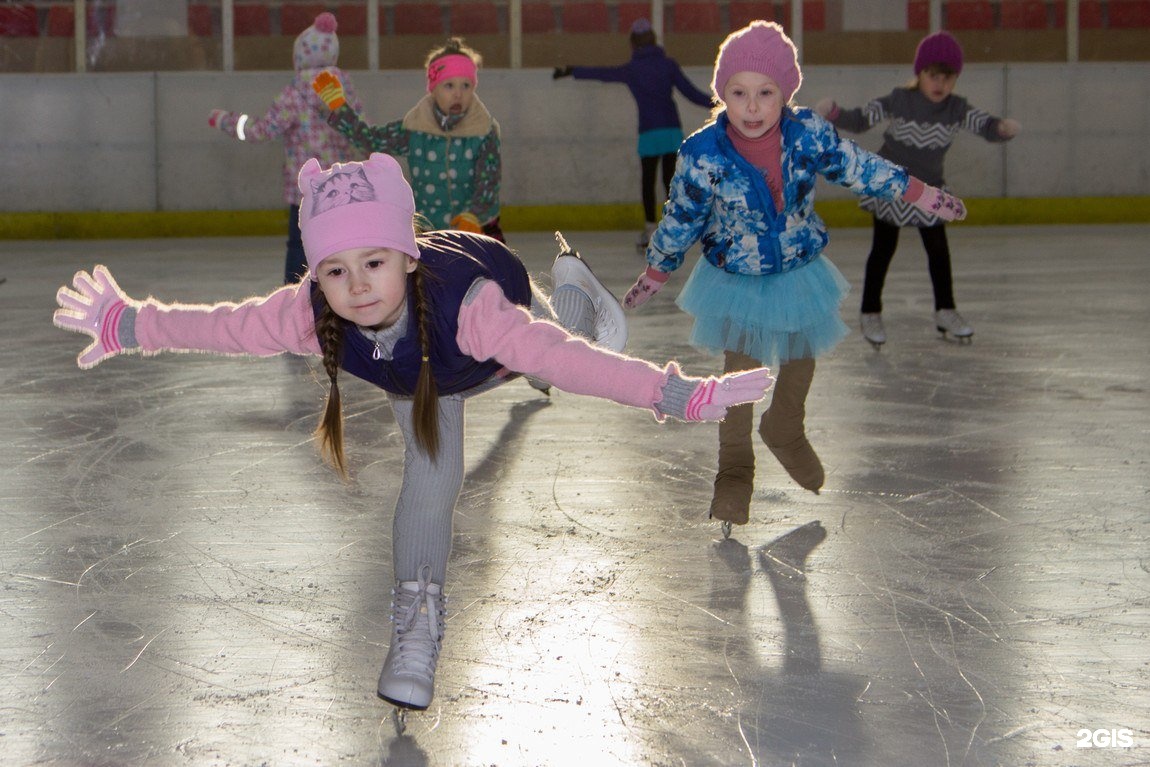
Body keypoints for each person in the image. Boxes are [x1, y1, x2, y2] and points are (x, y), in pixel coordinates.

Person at [53, 153, 775, 714]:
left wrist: (675, 394)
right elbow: (227, 325)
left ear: (406, 255)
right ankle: (418, 621)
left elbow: (573, 365)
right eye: (335, 270)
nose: (357, 285)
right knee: (432, 478)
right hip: (421, 377)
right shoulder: (316, 311)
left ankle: (575, 299)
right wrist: (129, 322)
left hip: (484, 335)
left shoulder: (474, 308)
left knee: (547, 354)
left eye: (373, 263)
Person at [622, 21, 966, 533]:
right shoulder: (703, 154)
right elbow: (681, 216)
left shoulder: (807, 134)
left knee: (801, 364)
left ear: (786, 93)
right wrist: (657, 268)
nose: (753, 106)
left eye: (766, 93)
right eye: (739, 93)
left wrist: (915, 191)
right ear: (722, 95)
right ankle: (734, 471)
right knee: (739, 374)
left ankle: (784, 428)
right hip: (736, 275)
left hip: (798, 269)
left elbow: (858, 165)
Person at [815, 30, 1020, 346]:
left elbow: (986, 125)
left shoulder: (957, 108)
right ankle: (871, 312)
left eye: (947, 78)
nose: (940, 84)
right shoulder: (900, 100)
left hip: (930, 189)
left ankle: (946, 310)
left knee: (938, 250)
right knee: (883, 249)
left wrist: (1002, 129)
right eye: (932, 75)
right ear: (920, 73)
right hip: (892, 185)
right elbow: (860, 120)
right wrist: (835, 113)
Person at [207, 11, 364, 284]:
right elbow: (361, 129)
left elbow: (261, 130)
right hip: (340, 183)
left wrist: (227, 121)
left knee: (299, 245)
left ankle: (293, 295)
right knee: (339, 241)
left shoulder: (294, 92)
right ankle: (339, 290)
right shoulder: (343, 88)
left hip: (304, 187)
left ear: (300, 56)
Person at [312, 38, 505, 242]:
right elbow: (372, 141)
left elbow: (488, 181)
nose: (458, 93)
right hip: (429, 231)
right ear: (433, 88)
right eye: (449, 85)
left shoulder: (485, 131)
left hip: (476, 227)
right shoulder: (415, 129)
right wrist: (340, 108)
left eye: (466, 85)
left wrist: (473, 215)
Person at [553, 17, 714, 251]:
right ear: (653, 40)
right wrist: (718, 102)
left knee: (648, 182)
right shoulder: (668, 65)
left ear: (633, 43)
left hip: (649, 132)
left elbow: (603, 74)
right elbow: (690, 93)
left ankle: (650, 228)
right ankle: (673, 228)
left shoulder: (632, 69)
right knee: (670, 181)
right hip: (670, 130)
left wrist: (572, 70)